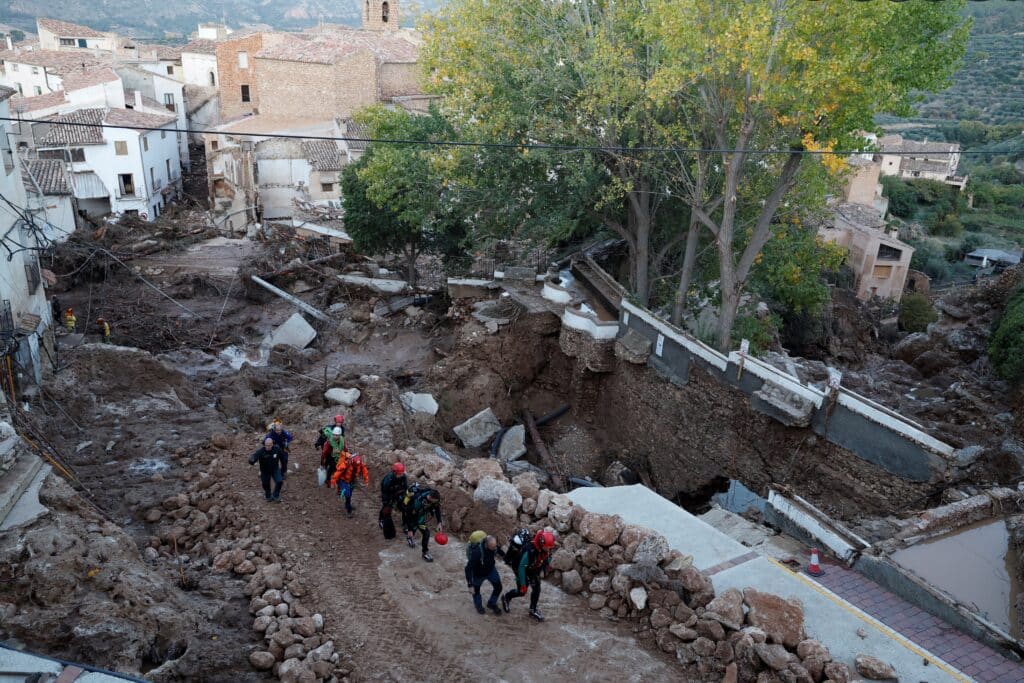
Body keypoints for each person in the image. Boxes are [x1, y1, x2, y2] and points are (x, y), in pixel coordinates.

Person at [502, 529, 556, 622]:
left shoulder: (544, 549)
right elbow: (521, 568)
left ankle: (533, 610)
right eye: (548, 547)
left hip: (533, 568)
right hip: (519, 567)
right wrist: (523, 584)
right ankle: (507, 597)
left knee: (537, 588)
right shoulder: (530, 551)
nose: (549, 549)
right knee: (522, 591)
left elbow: (545, 557)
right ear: (542, 544)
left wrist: (546, 565)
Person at [401, 486, 443, 562]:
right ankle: (409, 536)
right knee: (412, 528)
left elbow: (437, 509)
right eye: (434, 501)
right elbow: (409, 515)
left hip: (420, 517)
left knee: (426, 533)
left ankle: (425, 552)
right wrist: (410, 529)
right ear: (430, 497)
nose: (435, 502)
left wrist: (439, 522)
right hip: (412, 515)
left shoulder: (435, 499)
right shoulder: (418, 502)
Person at [465, 534, 503, 615]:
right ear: (486, 545)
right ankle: (478, 605)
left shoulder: (493, 546)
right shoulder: (477, 552)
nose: (495, 548)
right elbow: (468, 568)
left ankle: (491, 603)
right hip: (478, 574)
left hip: (491, 570)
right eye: (493, 547)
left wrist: (507, 558)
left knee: (498, 587)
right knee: (476, 591)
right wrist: (470, 585)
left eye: (495, 546)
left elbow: (499, 551)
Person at [330, 452, 370, 517]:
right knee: (347, 494)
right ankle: (349, 511)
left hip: (351, 480)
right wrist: (333, 482)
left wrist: (366, 480)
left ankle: (347, 504)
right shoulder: (346, 464)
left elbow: (364, 470)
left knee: (350, 494)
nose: (357, 466)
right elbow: (338, 473)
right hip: (343, 480)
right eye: (355, 465)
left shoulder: (359, 463)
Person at [248, 437, 285, 502]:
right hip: (265, 471)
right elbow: (254, 457)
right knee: (265, 484)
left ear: (272, 444)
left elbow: (282, 458)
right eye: (266, 445)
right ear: (264, 444)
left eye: (269, 445)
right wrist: (251, 460)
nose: (267, 447)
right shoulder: (260, 451)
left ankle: (276, 495)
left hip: (275, 469)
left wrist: (283, 469)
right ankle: (268, 495)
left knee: (279, 481)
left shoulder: (277, 449)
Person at [378, 462, 407, 538]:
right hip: (389, 494)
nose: (401, 475)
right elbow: (384, 491)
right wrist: (386, 501)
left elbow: (405, 487)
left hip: (399, 493)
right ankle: (381, 519)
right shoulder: (388, 479)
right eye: (399, 474)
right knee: (387, 508)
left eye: (402, 473)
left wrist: (403, 496)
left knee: (404, 506)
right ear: (394, 472)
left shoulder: (403, 477)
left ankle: (405, 524)